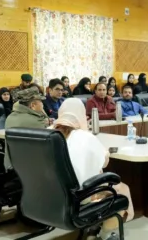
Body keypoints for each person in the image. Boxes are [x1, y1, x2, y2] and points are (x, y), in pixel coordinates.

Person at [54, 99, 134, 240]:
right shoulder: (84, 137)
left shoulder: (48, 135)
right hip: (77, 198)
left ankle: (95, 225)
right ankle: (106, 234)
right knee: (121, 189)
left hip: (49, 195)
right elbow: (103, 163)